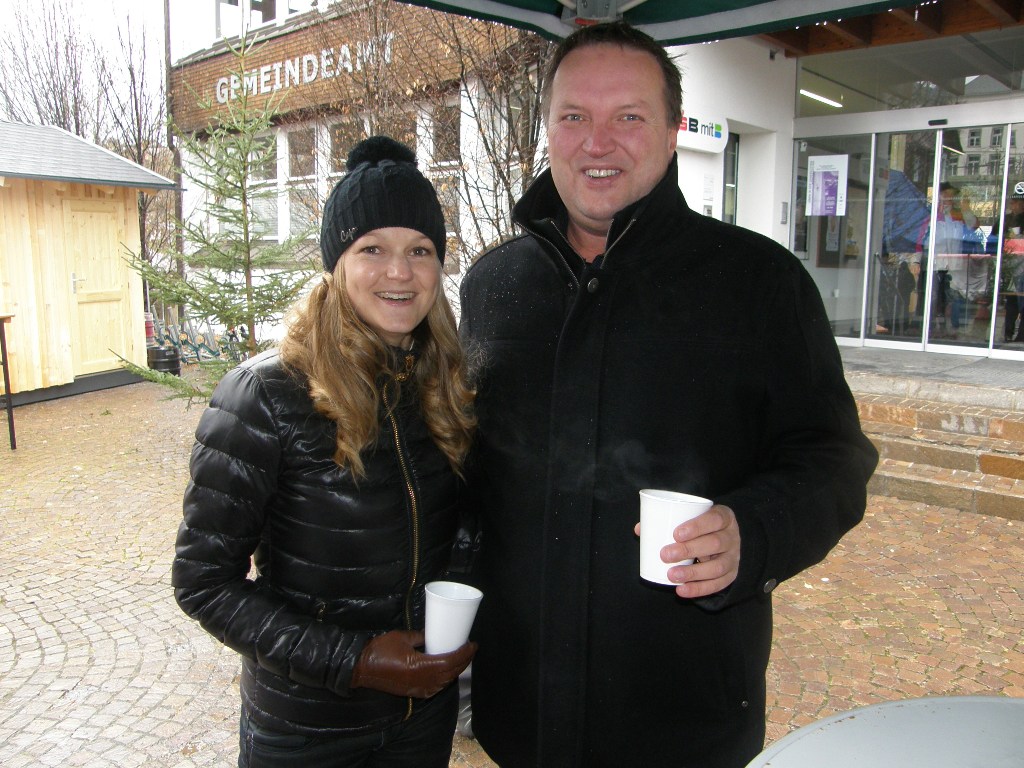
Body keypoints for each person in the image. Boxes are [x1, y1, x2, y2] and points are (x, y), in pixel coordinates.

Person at [458, 22, 878, 768]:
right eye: (575, 116)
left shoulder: (758, 283)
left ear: (674, 128)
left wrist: (755, 531)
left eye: (629, 116)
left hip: (683, 719)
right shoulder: (494, 285)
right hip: (521, 710)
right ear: (548, 127)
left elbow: (834, 459)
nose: (598, 142)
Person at [172, 136, 477, 768]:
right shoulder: (266, 394)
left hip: (422, 724)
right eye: (373, 249)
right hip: (308, 734)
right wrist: (356, 661)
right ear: (336, 263)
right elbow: (204, 583)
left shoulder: (445, 387)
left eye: (420, 250)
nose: (400, 272)